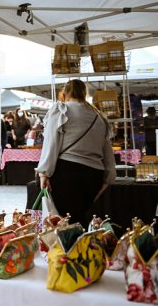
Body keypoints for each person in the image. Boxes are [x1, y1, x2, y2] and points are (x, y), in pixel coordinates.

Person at [37, 79, 116, 228]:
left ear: (64, 93)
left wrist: (44, 173)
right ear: (84, 94)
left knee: (63, 222)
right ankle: (82, 249)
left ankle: (67, 250)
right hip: (94, 175)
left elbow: (51, 143)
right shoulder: (98, 117)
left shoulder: (61, 110)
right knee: (79, 219)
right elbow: (107, 151)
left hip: (67, 173)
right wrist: (107, 179)